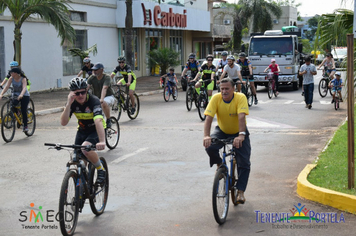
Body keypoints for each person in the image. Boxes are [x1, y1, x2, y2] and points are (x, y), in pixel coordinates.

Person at [203, 77, 251, 204]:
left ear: (233, 89)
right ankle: (220, 164)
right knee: (209, 146)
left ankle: (240, 191)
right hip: (222, 130)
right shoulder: (215, 98)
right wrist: (206, 136)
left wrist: (241, 135)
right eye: (222, 89)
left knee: (244, 162)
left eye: (227, 89)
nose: (224, 91)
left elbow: (241, 117)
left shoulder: (240, 97)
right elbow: (208, 118)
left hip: (239, 131)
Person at [60, 77, 106, 184]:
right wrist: (68, 105)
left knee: (85, 148)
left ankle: (100, 169)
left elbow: (98, 121)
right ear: (72, 93)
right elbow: (63, 122)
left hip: (96, 130)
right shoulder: (72, 103)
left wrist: (102, 141)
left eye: (83, 92)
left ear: (86, 90)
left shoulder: (93, 101)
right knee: (77, 159)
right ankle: (81, 188)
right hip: (82, 130)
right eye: (77, 93)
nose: (80, 95)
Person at [0, 67, 30, 132]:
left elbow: (24, 88)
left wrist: (21, 94)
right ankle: (17, 114)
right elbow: (6, 87)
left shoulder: (23, 79)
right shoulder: (11, 78)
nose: (10, 73)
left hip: (24, 95)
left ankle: (25, 126)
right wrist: (1, 94)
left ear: (16, 73)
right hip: (15, 95)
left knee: (23, 110)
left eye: (12, 72)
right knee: (13, 104)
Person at [87, 63, 116, 128]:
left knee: (103, 103)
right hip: (97, 98)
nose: (94, 71)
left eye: (96, 70)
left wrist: (102, 99)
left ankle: (108, 120)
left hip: (108, 96)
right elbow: (86, 88)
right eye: (93, 70)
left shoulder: (107, 77)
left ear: (102, 70)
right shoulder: (92, 77)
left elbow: (104, 88)